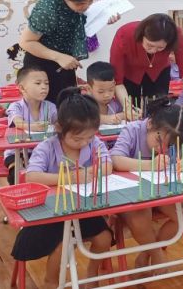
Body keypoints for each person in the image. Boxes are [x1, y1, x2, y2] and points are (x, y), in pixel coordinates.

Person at [10, 87, 112, 287]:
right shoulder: (47, 147)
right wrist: (70, 177)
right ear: (59, 128)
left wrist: (91, 171)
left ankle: (92, 274)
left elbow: (107, 166)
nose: (84, 143)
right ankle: (51, 280)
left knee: (105, 238)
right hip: (50, 214)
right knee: (62, 244)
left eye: (89, 137)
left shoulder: (94, 143)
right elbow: (31, 176)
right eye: (77, 138)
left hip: (81, 209)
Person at [110, 97, 183, 271]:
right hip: (134, 195)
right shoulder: (133, 130)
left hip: (164, 191)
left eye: (170, 145)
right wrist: (150, 165)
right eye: (158, 140)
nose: (163, 148)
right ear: (150, 124)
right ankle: (157, 255)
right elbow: (115, 160)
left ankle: (148, 253)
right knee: (141, 218)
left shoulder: (177, 132)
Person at [19, 0, 120, 103]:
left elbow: (83, 23)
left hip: (65, 63)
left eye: (90, 1)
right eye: (80, 4)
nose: (86, 7)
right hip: (41, 66)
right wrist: (59, 57)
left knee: (69, 106)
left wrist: (104, 19)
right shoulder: (47, 10)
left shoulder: (78, 5)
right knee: (46, 108)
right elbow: (26, 42)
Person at [110, 13, 183, 109]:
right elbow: (117, 80)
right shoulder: (124, 34)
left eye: (160, 48)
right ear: (142, 35)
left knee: (159, 107)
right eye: (149, 45)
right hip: (130, 74)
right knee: (132, 107)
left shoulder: (175, 35)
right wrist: (127, 107)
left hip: (159, 72)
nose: (153, 50)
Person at [4, 66, 57, 184]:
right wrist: (34, 126)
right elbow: (18, 122)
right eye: (38, 83)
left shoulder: (50, 106)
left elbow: (59, 123)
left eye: (46, 83)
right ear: (22, 88)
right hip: (18, 153)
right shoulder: (16, 106)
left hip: (44, 151)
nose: (44, 87)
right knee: (17, 177)